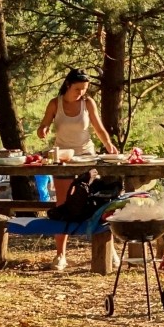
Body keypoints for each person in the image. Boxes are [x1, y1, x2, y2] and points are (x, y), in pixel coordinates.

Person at [36, 69, 116, 271]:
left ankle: (109, 249)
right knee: (62, 205)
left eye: (84, 89)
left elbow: (98, 128)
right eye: (78, 88)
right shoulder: (56, 103)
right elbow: (43, 125)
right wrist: (43, 130)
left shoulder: (88, 103)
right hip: (63, 156)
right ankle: (60, 255)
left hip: (86, 155)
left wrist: (109, 145)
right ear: (68, 85)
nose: (81, 92)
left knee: (97, 203)